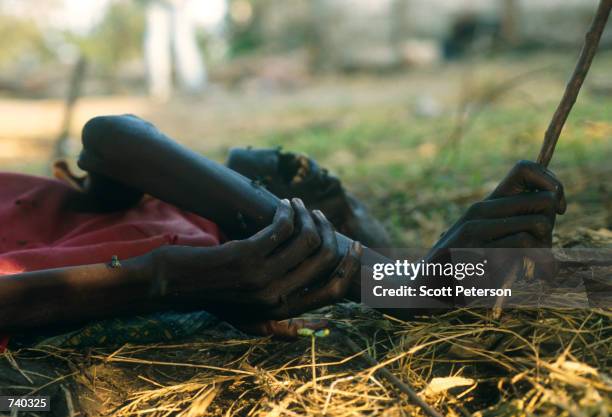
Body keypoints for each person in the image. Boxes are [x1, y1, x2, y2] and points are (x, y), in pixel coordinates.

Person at [0, 115, 565, 346]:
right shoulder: (174, 229)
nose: (301, 169)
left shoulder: (223, 252)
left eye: (328, 195)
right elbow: (111, 139)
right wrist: (392, 278)